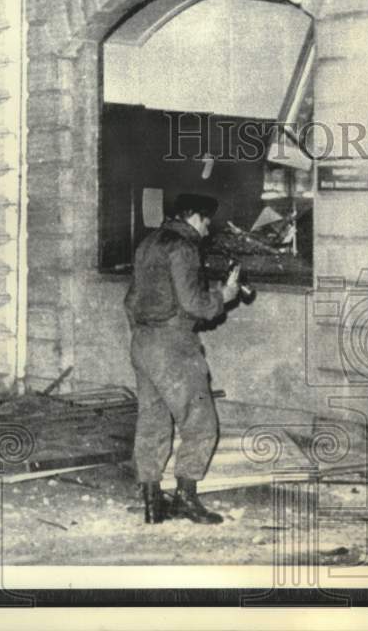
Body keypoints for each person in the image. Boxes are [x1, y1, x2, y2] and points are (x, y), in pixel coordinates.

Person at [124, 193, 241, 524]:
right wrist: (224, 296)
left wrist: (146, 331)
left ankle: (152, 503)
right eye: (206, 223)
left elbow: (130, 300)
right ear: (196, 218)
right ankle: (186, 500)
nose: (207, 230)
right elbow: (194, 305)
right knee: (201, 423)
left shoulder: (148, 243)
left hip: (143, 342)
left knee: (152, 421)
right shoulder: (184, 247)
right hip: (173, 345)